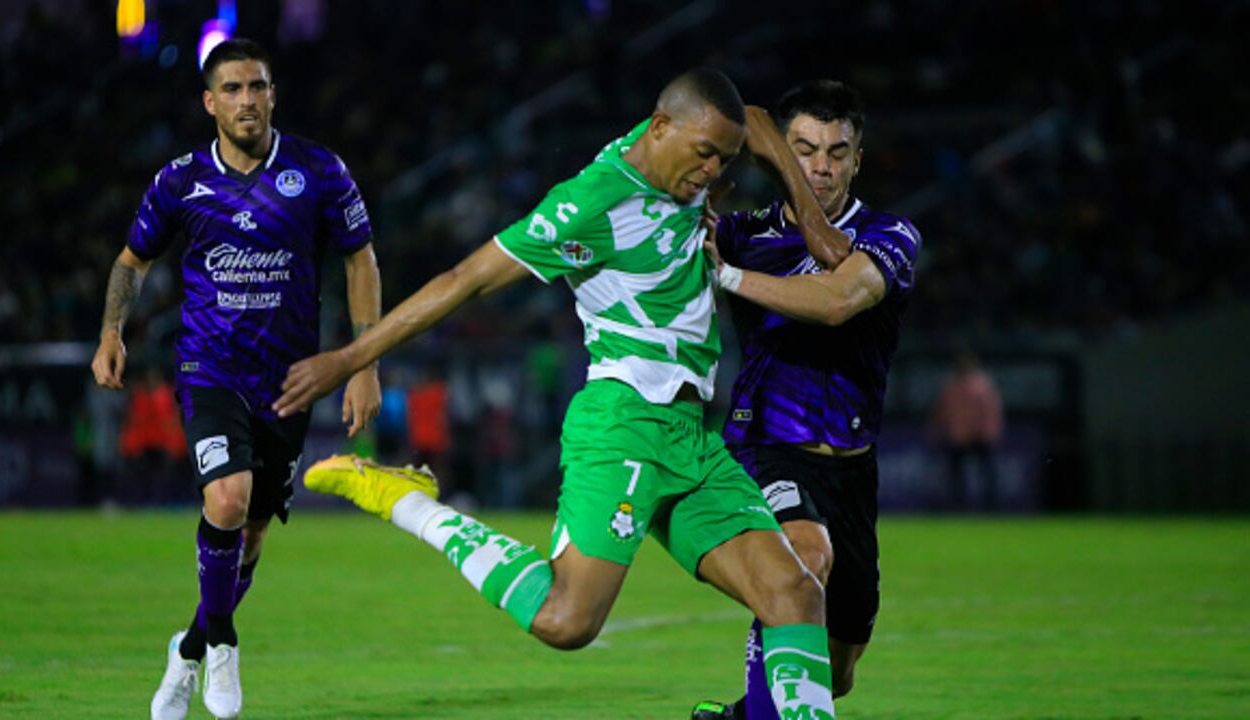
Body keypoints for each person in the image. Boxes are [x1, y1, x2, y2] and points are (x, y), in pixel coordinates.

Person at [274, 68, 838, 720]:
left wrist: (812, 220)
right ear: (660, 129)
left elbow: (757, 120)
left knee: (795, 594)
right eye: (704, 154)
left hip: (690, 436)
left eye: (723, 159)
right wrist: (351, 357)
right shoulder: (589, 205)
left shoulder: (674, 143)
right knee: (565, 621)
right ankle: (407, 502)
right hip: (623, 422)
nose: (713, 170)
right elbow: (465, 279)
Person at [89, 38, 382, 720]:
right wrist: (111, 330)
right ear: (209, 101)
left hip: (291, 380)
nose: (247, 100)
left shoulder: (318, 170)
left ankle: (187, 650)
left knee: (249, 535)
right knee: (225, 499)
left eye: (258, 87)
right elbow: (132, 260)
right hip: (209, 367)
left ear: (273, 94)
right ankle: (222, 642)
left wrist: (363, 363)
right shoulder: (181, 181)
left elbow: (360, 258)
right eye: (233, 89)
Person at [693, 80, 921, 719]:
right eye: (805, 150)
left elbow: (837, 300)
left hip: (851, 465)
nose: (821, 166)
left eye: (836, 152)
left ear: (857, 159)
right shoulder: (740, 232)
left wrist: (728, 276)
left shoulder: (889, 234)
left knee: (837, 671)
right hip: (764, 444)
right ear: (782, 154)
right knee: (802, 560)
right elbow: (744, 119)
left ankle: (743, 717)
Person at [930, 351, 1004, 510]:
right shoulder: (951, 386)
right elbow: (942, 411)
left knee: (986, 472)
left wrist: (989, 432)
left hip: (980, 436)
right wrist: (938, 430)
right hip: (958, 436)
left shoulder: (982, 385)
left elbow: (991, 411)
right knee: (957, 474)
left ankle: (991, 505)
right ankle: (958, 505)